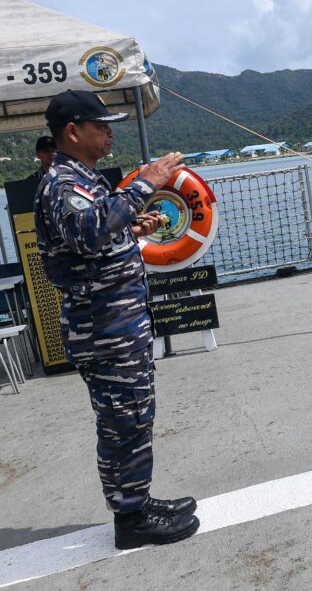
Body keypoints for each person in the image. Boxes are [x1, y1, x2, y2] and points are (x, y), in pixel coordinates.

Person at [34, 90, 199, 550]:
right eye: (101, 125)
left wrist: (132, 225)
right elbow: (87, 230)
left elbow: (101, 229)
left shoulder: (84, 179)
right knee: (121, 421)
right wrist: (145, 182)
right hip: (103, 330)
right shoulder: (62, 184)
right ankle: (130, 519)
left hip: (119, 326)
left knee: (134, 417)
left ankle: (138, 500)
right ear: (73, 131)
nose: (109, 132)